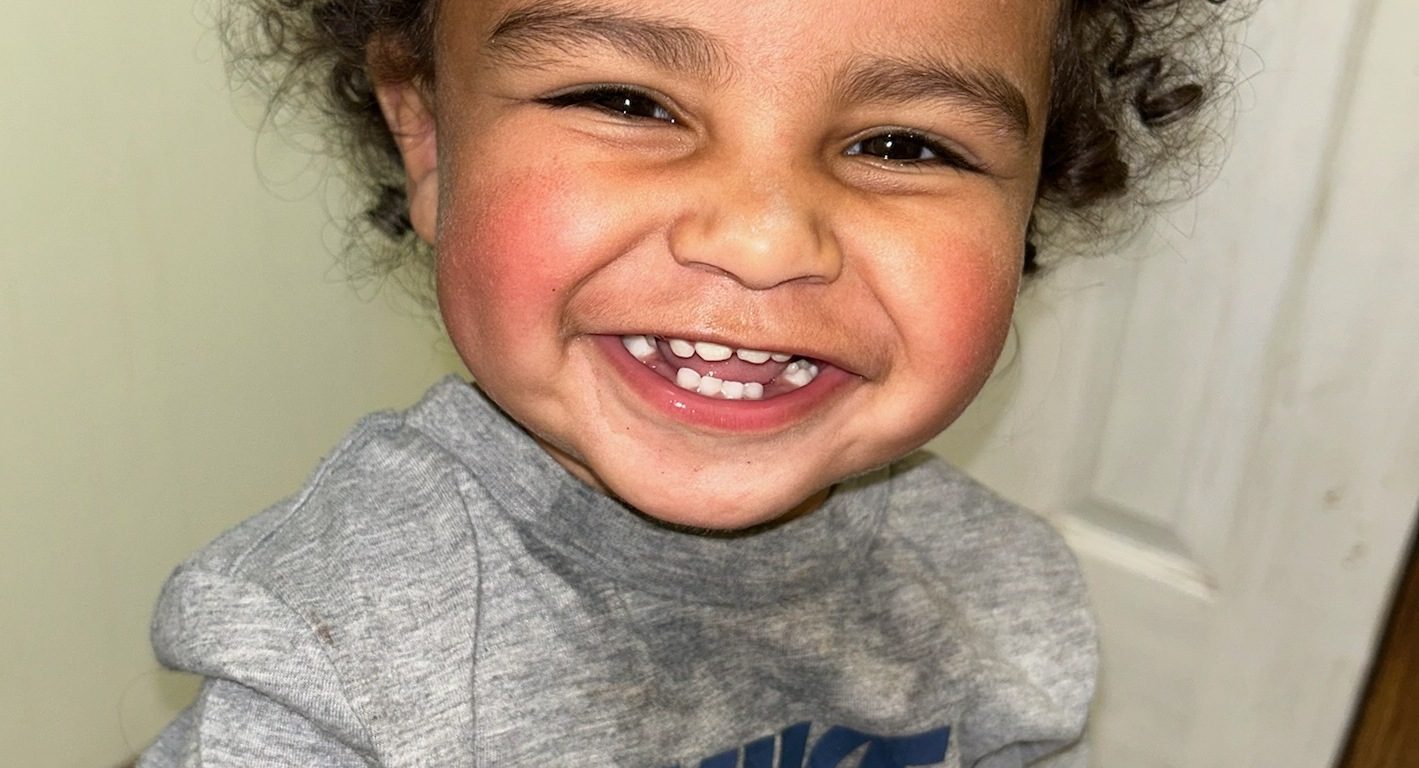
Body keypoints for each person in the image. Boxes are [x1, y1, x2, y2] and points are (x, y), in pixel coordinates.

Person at [139, 0, 1241, 765]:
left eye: (904, 146)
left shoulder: (1002, 598)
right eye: (627, 101)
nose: (763, 240)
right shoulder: (331, 648)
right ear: (427, 136)